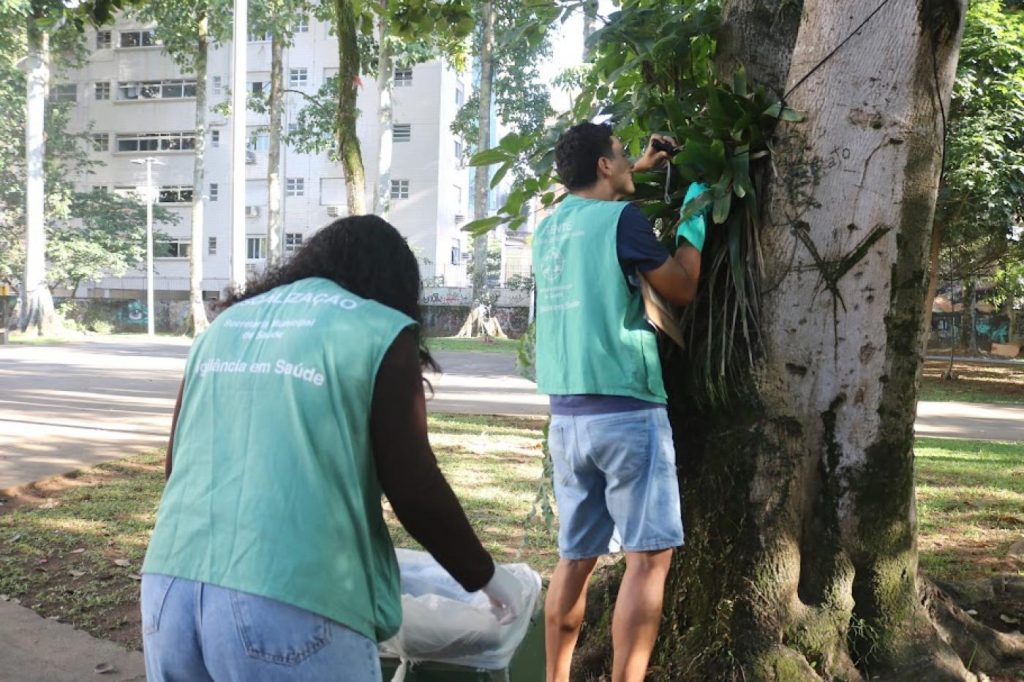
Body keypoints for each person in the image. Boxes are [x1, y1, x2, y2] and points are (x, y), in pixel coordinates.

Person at [140, 215, 520, 682]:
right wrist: (486, 577)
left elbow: (176, 464)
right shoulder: (379, 330)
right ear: (393, 284)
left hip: (169, 588)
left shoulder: (226, 325)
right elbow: (414, 487)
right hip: (292, 600)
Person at [533, 122, 706, 682]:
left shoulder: (549, 226)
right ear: (605, 166)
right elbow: (680, 286)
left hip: (567, 417)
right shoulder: (621, 221)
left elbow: (589, 212)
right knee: (648, 558)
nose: (631, 159)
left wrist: (644, 168)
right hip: (627, 410)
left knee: (576, 557)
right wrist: (697, 219)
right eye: (621, 154)